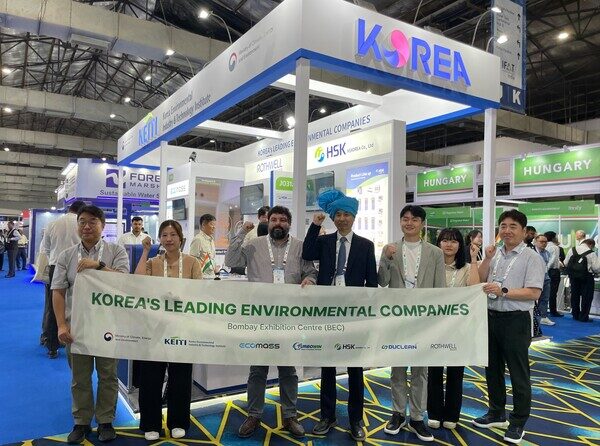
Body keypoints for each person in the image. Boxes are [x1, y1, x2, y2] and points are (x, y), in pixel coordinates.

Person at [225, 205, 316, 439]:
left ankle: (290, 415)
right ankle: (254, 415)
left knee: (288, 370)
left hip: (289, 317)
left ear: (289, 224)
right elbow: (231, 259)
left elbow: (310, 271)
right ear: (268, 222)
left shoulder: (300, 246)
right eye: (274, 219)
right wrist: (241, 234)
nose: (278, 223)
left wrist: (310, 280)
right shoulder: (254, 244)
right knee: (258, 370)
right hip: (261, 318)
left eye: (283, 220)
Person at [302, 189, 377, 442]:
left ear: (354, 217)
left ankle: (356, 419)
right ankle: (327, 416)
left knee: (355, 369)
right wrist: (315, 226)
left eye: (347, 214)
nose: (342, 218)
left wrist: (366, 315)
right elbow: (307, 253)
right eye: (338, 214)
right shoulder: (324, 242)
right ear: (333, 217)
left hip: (354, 316)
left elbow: (372, 283)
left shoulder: (366, 245)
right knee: (328, 367)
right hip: (328, 313)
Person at [51, 205, 129, 443]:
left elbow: (125, 283)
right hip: (77, 328)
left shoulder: (116, 251)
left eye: (92, 221)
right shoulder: (66, 255)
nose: (86, 226)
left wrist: (99, 266)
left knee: (108, 376)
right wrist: (61, 325)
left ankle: (105, 421)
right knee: (80, 378)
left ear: (102, 225)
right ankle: (81, 422)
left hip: (108, 326)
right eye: (82, 221)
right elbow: (58, 291)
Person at [473, 209, 545, 445]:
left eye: (513, 226)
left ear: (524, 231)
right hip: (491, 317)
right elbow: (479, 279)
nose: (507, 230)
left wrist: (503, 291)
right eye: (503, 226)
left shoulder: (531, 257)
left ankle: (518, 421)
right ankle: (496, 412)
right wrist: (486, 258)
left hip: (516, 320)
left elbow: (534, 292)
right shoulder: (495, 254)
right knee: (492, 369)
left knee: (518, 373)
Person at [378, 205, 446, 443]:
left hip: (423, 319)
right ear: (400, 222)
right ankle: (397, 413)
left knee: (420, 371)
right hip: (397, 318)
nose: (409, 223)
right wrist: (386, 259)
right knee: (397, 368)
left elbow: (440, 289)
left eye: (414, 219)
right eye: (405, 219)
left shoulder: (435, 253)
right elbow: (382, 281)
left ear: (422, 223)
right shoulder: (390, 249)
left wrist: (436, 321)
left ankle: (417, 417)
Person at [134, 220, 202, 440]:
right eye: (164, 235)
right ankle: (151, 423)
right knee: (151, 377)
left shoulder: (192, 262)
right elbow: (137, 281)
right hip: (154, 328)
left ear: (181, 238)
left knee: (180, 377)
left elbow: (201, 293)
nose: (169, 239)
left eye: (173, 235)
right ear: (160, 239)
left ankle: (178, 421)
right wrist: (146, 251)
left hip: (182, 328)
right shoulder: (153, 262)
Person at [427, 228, 480, 431]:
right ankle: (434, 412)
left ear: (460, 245)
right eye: (445, 240)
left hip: (459, 328)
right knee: (434, 371)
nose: (449, 245)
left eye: (454, 241)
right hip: (434, 327)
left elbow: (474, 288)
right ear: (438, 243)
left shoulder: (466, 267)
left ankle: (451, 414)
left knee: (456, 372)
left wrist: (474, 260)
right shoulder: (431, 266)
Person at [41, 200, 86, 359]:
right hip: (78, 266)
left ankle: (52, 345)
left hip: (55, 266)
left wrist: (55, 259)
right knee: (76, 303)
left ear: (69, 209)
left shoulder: (53, 224)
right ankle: (75, 340)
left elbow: (46, 247)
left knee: (54, 304)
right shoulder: (81, 224)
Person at [565, 237, 599, 322]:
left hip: (573, 277)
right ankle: (584, 317)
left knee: (574, 295)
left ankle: (575, 315)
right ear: (590, 245)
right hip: (586, 277)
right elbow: (596, 268)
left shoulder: (572, 250)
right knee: (587, 297)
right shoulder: (591, 253)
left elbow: (565, 263)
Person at [189, 213, 218, 279]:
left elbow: (211, 258)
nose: (214, 227)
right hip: (202, 277)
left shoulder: (211, 240)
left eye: (214, 225)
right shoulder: (198, 239)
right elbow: (192, 260)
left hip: (211, 276)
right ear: (203, 225)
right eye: (211, 224)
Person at [534, 234, 554, 326]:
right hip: (534, 278)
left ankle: (543, 317)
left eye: (546, 242)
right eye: (541, 242)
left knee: (545, 298)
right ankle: (533, 316)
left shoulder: (547, 253)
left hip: (545, 278)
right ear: (535, 242)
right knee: (532, 299)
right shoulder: (531, 252)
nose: (544, 244)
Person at [544, 231, 564, 318]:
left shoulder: (544, 246)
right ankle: (553, 311)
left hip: (545, 270)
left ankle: (543, 310)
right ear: (553, 238)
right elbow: (553, 260)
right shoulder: (555, 247)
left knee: (544, 292)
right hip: (553, 271)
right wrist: (547, 268)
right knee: (553, 292)